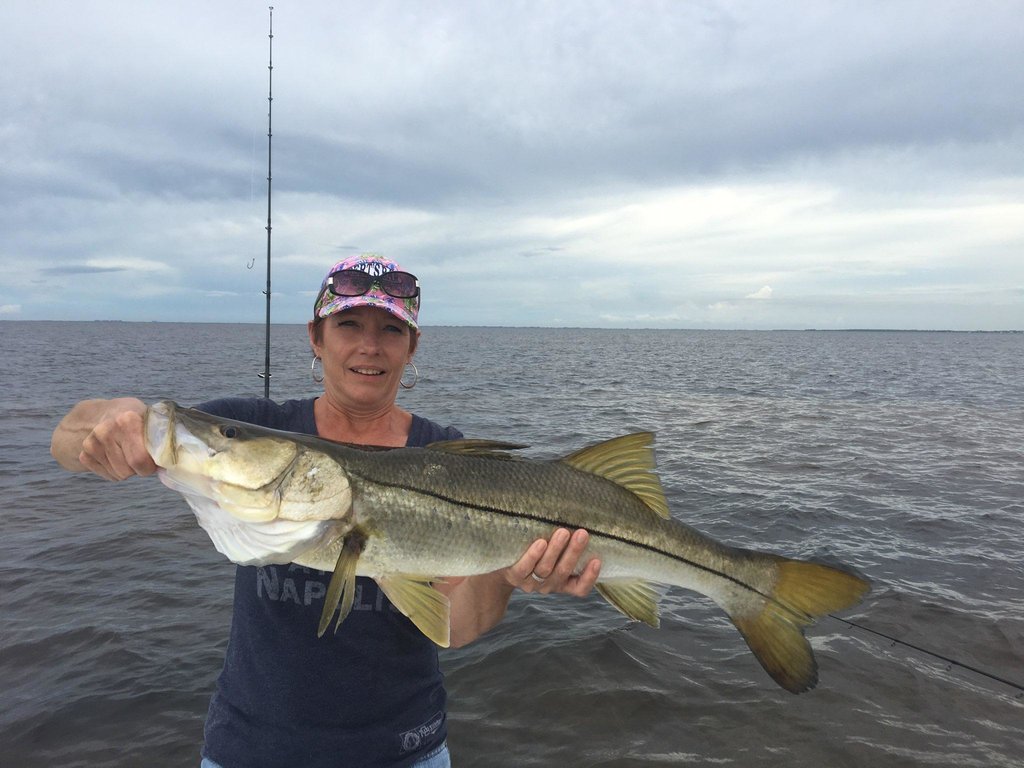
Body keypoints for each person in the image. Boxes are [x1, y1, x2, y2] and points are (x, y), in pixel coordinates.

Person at [51, 253, 602, 768]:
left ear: (411, 348)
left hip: (406, 751)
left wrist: (507, 574)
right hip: (249, 748)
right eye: (348, 326)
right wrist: (121, 416)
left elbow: (453, 627)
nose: (370, 347)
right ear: (316, 338)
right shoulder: (252, 422)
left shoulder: (447, 457)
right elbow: (67, 435)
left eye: (390, 330)